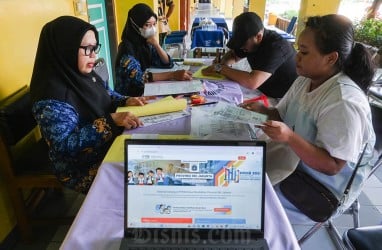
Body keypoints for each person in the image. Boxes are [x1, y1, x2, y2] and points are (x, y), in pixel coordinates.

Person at [242, 14, 376, 224]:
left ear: (331, 58)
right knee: (238, 176)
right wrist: (262, 109)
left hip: (320, 189)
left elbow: (332, 166)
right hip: (295, 161)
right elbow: (282, 115)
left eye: (304, 52)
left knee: (247, 201)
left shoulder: (344, 101)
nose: (296, 57)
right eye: (298, 49)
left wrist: (289, 137)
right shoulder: (305, 79)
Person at [30, 16, 147, 194]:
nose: (94, 55)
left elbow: (105, 93)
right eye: (87, 49)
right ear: (65, 49)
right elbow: (64, 147)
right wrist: (109, 123)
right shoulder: (52, 97)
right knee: (139, 181)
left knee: (147, 156)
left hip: (103, 145)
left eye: (95, 48)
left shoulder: (82, 74)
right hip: (78, 167)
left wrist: (124, 100)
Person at [202, 12, 297, 99]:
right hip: (262, 90)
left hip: (282, 99)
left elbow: (252, 82)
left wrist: (219, 68)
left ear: (258, 36)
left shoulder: (276, 47)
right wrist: (222, 63)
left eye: (243, 44)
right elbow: (233, 55)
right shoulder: (250, 41)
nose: (241, 47)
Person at [115, 3, 192, 97]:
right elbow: (140, 78)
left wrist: (156, 45)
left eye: (154, 24)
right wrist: (173, 75)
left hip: (146, 91)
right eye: (147, 25)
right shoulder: (126, 49)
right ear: (135, 25)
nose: (152, 29)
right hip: (129, 99)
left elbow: (167, 63)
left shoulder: (146, 43)